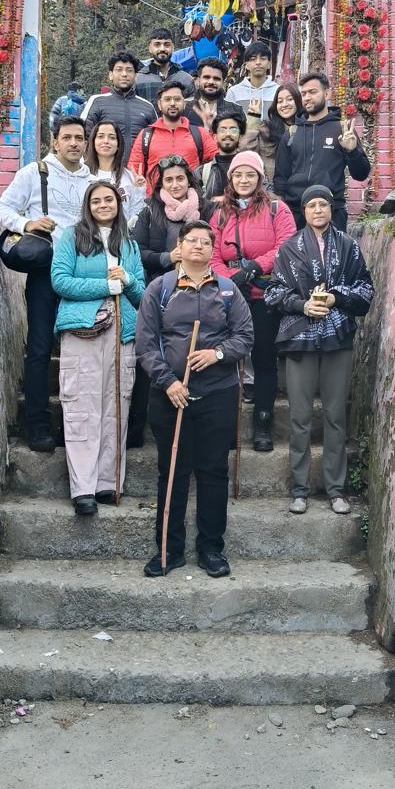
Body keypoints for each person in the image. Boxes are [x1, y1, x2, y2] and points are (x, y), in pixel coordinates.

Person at [135, 219, 254, 577]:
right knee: (172, 470)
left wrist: (217, 354)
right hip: (170, 395)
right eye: (192, 240)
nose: (199, 246)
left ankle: (211, 549)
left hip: (218, 392)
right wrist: (168, 382)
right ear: (180, 247)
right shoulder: (160, 288)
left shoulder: (228, 290)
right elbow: (146, 343)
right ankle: (168, 550)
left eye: (205, 241)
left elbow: (245, 335)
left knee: (214, 470)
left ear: (212, 250)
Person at [265, 185, 374, 515]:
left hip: (338, 339)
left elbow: (365, 290)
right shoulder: (289, 249)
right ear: (304, 211)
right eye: (311, 205)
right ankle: (299, 489)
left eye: (323, 204)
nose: (317, 210)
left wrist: (335, 297)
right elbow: (273, 293)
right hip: (300, 339)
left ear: (331, 208)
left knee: (335, 415)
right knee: (299, 416)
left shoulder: (349, 246)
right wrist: (303, 305)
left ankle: (335, 489)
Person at [0, 116, 91, 453]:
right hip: (46, 272)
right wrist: (28, 223)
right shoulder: (34, 173)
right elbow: (1, 208)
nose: (74, 143)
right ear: (55, 141)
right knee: (39, 348)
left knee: (81, 352)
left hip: (81, 276)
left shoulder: (93, 180)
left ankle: (74, 426)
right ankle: (37, 425)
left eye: (79, 138)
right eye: (68, 137)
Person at [51, 182, 145, 515]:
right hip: (82, 331)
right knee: (82, 406)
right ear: (87, 206)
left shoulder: (129, 244)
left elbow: (141, 294)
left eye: (109, 200)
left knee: (116, 405)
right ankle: (83, 488)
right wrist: (105, 285)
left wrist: (128, 281)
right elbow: (60, 280)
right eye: (96, 201)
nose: (103, 205)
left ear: (119, 204)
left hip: (122, 332)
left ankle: (108, 482)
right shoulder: (71, 237)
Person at [210, 151, 296, 452]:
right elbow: (211, 252)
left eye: (250, 174)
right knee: (227, 359)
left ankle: (263, 423)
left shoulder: (277, 209)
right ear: (230, 179)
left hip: (263, 295)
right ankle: (226, 427)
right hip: (230, 296)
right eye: (238, 174)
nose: (243, 180)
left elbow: (286, 245)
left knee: (263, 359)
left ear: (260, 178)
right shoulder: (220, 213)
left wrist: (255, 267)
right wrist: (229, 281)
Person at [128, 158, 207, 448]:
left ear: (189, 181)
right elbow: (137, 250)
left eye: (180, 179)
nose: (175, 185)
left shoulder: (203, 209)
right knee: (151, 355)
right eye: (169, 180)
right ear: (160, 183)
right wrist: (167, 258)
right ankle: (139, 428)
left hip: (199, 291)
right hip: (159, 290)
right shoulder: (150, 210)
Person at [273, 72, 370, 230]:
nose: (307, 98)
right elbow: (280, 180)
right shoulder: (292, 132)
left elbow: (361, 174)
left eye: (313, 92)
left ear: (327, 94)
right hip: (296, 213)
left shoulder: (342, 129)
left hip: (331, 212)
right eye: (304, 94)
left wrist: (352, 151)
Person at [128, 81, 217, 187]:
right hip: (155, 196)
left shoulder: (199, 133)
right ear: (159, 105)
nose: (173, 103)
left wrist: (211, 127)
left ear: (184, 104)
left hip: (192, 193)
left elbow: (218, 160)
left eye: (177, 99)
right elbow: (133, 170)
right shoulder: (146, 136)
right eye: (167, 99)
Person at [81, 52, 156, 152]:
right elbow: (84, 135)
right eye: (119, 69)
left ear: (136, 76)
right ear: (111, 75)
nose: (124, 74)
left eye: (129, 70)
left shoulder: (147, 107)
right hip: (104, 161)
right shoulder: (97, 102)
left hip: (138, 162)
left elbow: (157, 140)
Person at [84, 120, 146, 227]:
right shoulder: (83, 173)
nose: (106, 141)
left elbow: (135, 215)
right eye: (101, 136)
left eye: (112, 137)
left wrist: (138, 190)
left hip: (121, 234)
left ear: (118, 144)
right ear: (93, 142)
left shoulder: (128, 176)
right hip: (88, 234)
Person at [242, 81, 302, 186]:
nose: (284, 104)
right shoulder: (267, 129)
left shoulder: (307, 128)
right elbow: (246, 152)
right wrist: (253, 118)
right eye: (280, 101)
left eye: (289, 99)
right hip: (272, 188)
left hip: (299, 188)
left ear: (298, 101)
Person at [200, 108, 247, 211]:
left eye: (233, 130)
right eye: (223, 130)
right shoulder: (202, 172)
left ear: (240, 136)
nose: (228, 134)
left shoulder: (251, 168)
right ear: (215, 137)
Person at [135, 27, 194, 104]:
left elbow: (192, 108)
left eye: (167, 45)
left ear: (173, 47)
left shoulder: (186, 79)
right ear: (150, 48)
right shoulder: (138, 80)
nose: (162, 49)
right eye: (157, 45)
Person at [225, 40, 277, 121]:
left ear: (269, 64)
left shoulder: (277, 91)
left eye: (263, 58)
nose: (258, 62)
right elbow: (228, 122)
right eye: (253, 59)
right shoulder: (234, 92)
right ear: (246, 65)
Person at [185, 56, 242, 129]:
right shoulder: (184, 108)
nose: (211, 82)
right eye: (206, 77)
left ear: (223, 82)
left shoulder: (236, 111)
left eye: (216, 78)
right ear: (199, 80)